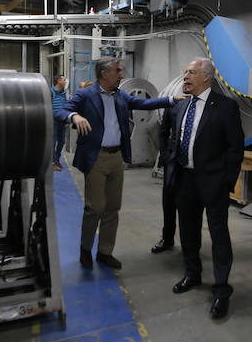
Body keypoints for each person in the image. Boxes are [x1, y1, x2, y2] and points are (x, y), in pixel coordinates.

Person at [55, 58, 187, 270]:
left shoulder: (120, 95)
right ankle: (85, 250)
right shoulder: (86, 94)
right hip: (96, 158)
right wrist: (74, 116)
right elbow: (60, 111)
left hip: (117, 158)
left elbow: (143, 103)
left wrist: (171, 99)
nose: (121, 74)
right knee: (95, 208)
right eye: (117, 71)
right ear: (104, 73)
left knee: (112, 208)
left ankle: (105, 252)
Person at [163, 58, 243, 319]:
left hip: (213, 181)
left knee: (218, 235)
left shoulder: (225, 107)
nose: (185, 77)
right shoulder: (180, 106)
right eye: (185, 72)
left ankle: (221, 289)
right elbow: (170, 138)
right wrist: (171, 165)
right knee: (188, 230)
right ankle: (192, 274)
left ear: (206, 77)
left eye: (191, 73)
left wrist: (226, 180)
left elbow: (235, 147)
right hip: (185, 179)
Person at [151, 110, 177, 253]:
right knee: (168, 203)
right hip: (172, 163)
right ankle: (167, 238)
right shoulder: (175, 106)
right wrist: (165, 154)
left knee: (191, 209)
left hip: (194, 166)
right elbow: (164, 131)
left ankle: (190, 244)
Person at [50, 75, 68, 171]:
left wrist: (66, 119)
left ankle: (57, 159)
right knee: (53, 142)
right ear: (58, 81)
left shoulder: (64, 93)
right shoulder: (50, 92)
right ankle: (52, 162)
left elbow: (65, 106)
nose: (65, 82)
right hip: (53, 121)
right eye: (64, 80)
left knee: (62, 141)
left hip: (62, 120)